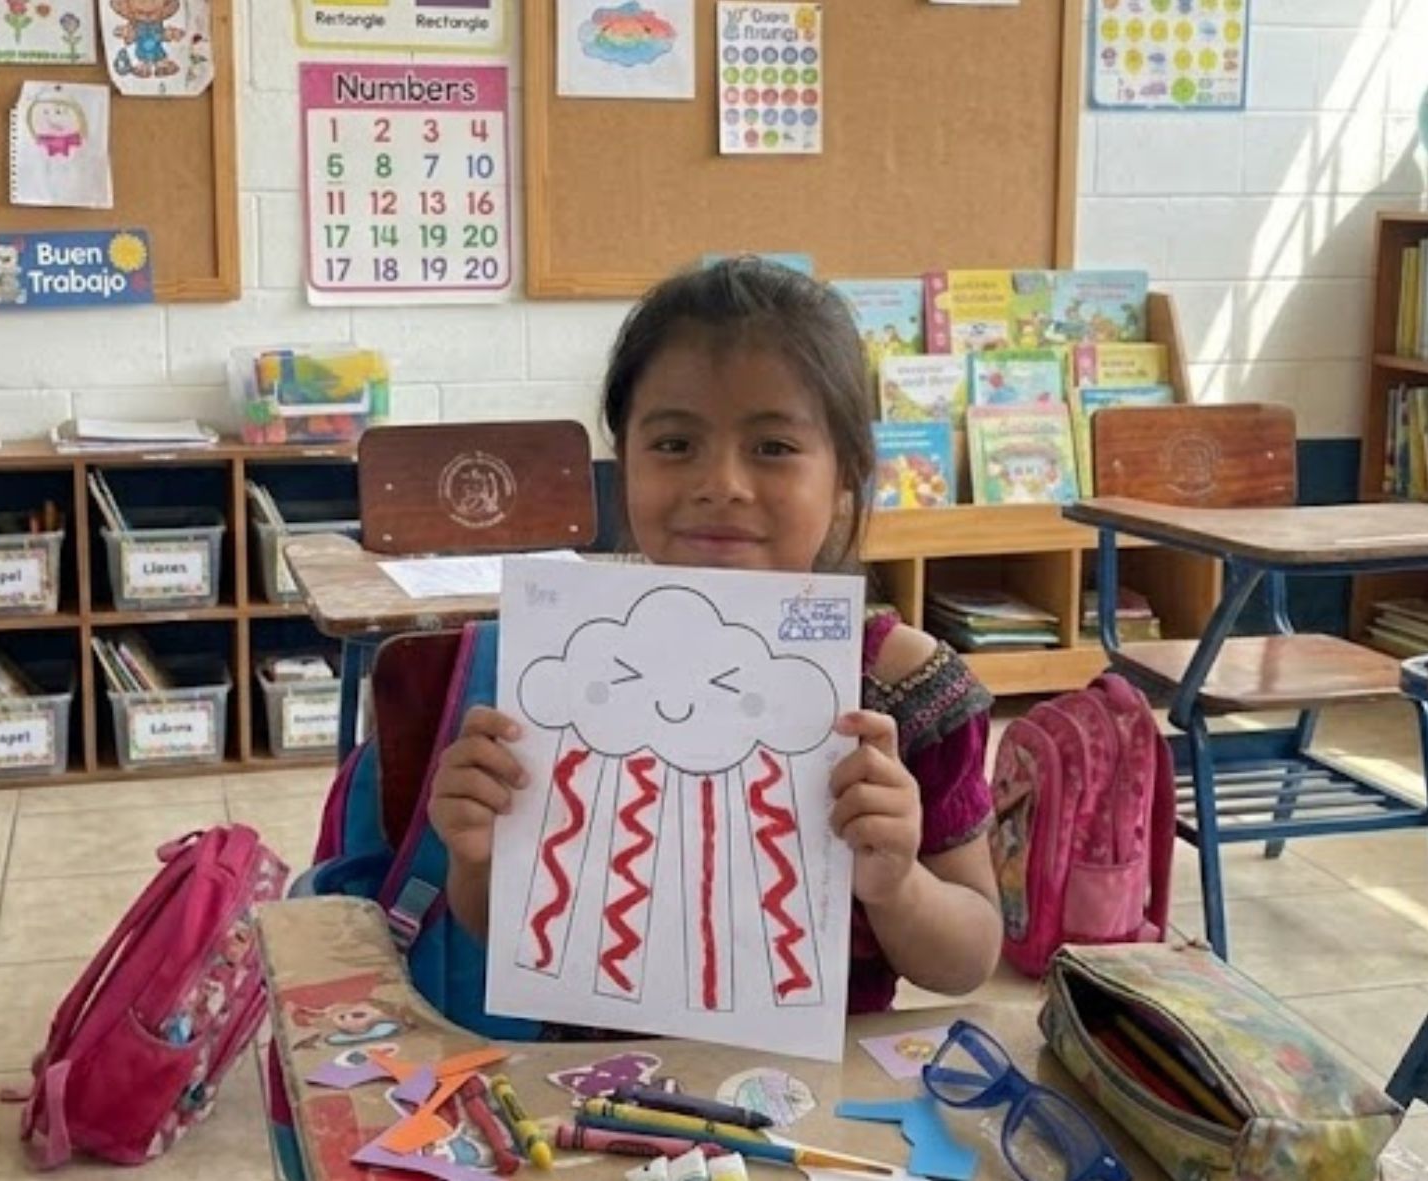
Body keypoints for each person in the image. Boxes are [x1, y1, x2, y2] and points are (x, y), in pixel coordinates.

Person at [428, 258, 1002, 1024]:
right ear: (623, 461)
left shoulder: (909, 688)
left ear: (845, 481)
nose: (720, 483)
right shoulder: (573, 658)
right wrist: (478, 853)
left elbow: (969, 959)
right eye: (673, 445)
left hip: (819, 1103)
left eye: (772, 447)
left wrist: (899, 884)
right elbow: (496, 921)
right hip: (600, 1085)